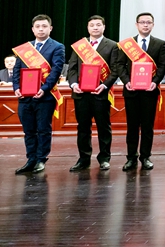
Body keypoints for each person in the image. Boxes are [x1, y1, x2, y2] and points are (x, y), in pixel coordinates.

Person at [11, 14, 64, 174]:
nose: (41, 29)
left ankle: (41, 159)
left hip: (45, 96)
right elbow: (17, 70)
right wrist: (16, 87)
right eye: (38, 27)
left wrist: (45, 88)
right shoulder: (25, 49)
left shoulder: (57, 47)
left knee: (43, 129)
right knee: (29, 130)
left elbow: (56, 70)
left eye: (44, 26)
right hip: (25, 96)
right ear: (33, 29)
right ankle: (31, 159)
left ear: (50, 28)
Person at [67, 15, 119, 171]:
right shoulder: (80, 46)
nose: (95, 27)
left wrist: (104, 85)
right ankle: (83, 159)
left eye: (98, 25)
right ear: (87, 28)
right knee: (83, 128)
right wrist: (74, 84)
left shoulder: (112, 45)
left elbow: (115, 69)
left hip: (101, 93)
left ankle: (104, 158)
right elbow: (72, 68)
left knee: (103, 127)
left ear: (104, 27)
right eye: (92, 25)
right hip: (81, 94)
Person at [116, 12, 165, 171]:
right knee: (132, 126)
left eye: (148, 22)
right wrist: (127, 81)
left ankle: (145, 157)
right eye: (142, 22)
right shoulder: (127, 44)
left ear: (153, 25)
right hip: (131, 91)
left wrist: (155, 82)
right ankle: (131, 158)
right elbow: (120, 65)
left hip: (149, 91)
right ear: (136, 25)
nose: (145, 25)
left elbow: (162, 66)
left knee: (147, 127)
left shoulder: (159, 44)